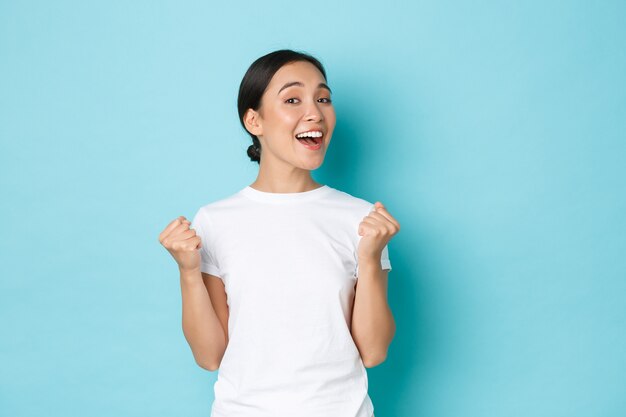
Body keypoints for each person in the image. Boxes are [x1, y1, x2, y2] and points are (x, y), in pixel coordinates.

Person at [158, 49, 400, 417]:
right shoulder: (215, 220)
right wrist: (188, 271)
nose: (315, 113)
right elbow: (209, 357)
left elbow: (374, 351)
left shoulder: (360, 218)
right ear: (254, 121)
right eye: (292, 99)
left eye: (323, 99)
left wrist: (369, 260)